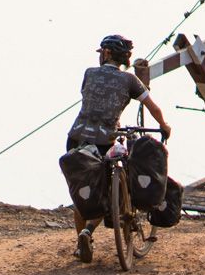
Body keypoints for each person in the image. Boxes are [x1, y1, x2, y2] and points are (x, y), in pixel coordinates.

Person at [65, 34, 171, 263]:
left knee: (82, 191)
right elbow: (151, 106)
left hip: (75, 138)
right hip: (105, 141)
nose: (100, 55)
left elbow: (91, 100)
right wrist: (164, 126)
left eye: (102, 51)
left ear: (108, 53)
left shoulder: (89, 74)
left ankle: (82, 238)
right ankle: (89, 231)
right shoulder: (130, 80)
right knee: (106, 191)